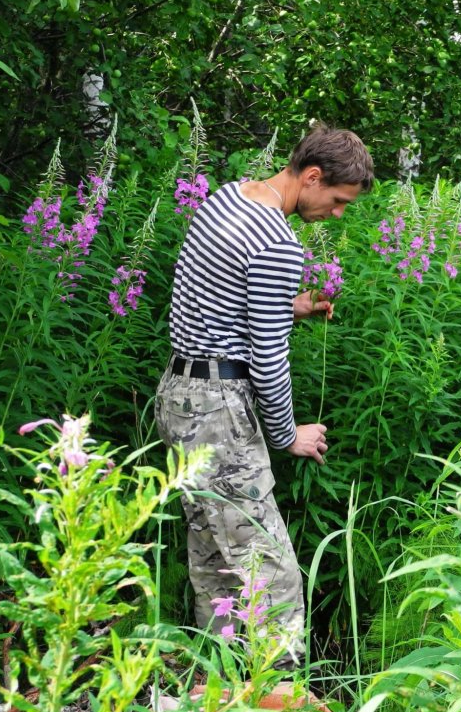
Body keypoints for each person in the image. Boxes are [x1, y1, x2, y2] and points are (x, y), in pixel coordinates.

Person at [155, 123, 373, 669]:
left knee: (216, 565)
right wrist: (287, 435)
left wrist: (288, 305)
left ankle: (218, 701)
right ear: (313, 176)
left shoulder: (228, 198)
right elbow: (268, 360)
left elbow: (214, 291)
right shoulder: (279, 241)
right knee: (270, 576)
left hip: (179, 395)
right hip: (219, 410)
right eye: (339, 200)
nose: (338, 213)